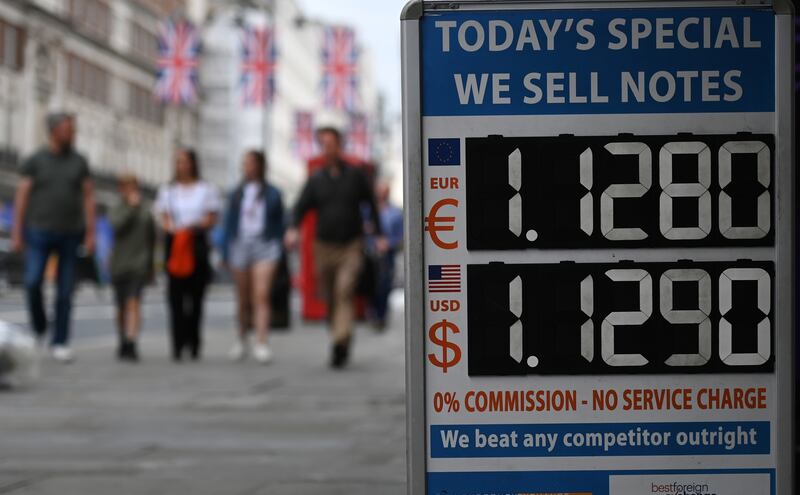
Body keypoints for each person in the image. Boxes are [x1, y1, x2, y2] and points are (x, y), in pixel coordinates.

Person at [284, 127, 386, 368]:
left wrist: (379, 234)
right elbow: (301, 206)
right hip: (324, 246)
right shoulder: (317, 179)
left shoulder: (356, 176)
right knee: (330, 296)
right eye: (323, 144)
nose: (328, 148)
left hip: (351, 244)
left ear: (340, 145)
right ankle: (339, 333)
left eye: (331, 143)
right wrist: (293, 229)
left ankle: (341, 341)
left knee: (344, 291)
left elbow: (370, 204)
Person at [11, 112, 96, 363]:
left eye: (73, 129)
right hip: (39, 230)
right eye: (68, 129)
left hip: (71, 233)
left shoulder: (79, 162)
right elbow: (22, 195)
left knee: (65, 290)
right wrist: (17, 231)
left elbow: (89, 196)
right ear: (54, 131)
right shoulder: (36, 160)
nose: (72, 133)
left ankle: (60, 341)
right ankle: (39, 327)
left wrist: (91, 233)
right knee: (32, 281)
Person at [154, 149, 220, 362]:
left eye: (184, 162)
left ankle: (194, 341)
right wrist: (172, 227)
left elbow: (212, 217)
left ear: (193, 164)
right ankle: (177, 342)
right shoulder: (168, 190)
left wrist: (195, 226)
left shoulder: (206, 189)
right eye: (178, 162)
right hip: (175, 244)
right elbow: (163, 216)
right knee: (175, 297)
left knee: (196, 297)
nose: (181, 166)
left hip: (196, 243)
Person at [221, 150, 285, 364]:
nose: (246, 167)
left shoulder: (273, 193)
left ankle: (262, 342)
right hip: (240, 245)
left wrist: (281, 242)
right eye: (244, 163)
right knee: (243, 298)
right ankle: (241, 338)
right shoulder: (236, 193)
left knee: (261, 294)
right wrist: (224, 251)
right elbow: (228, 224)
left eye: (250, 163)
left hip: (265, 245)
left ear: (260, 166)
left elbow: (281, 222)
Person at [109, 174, 155, 362]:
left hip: (139, 263)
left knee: (133, 302)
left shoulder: (146, 209)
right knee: (121, 307)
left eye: (134, 187)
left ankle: (132, 341)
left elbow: (151, 238)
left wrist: (151, 265)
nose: (131, 191)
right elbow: (117, 227)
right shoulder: (117, 208)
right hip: (120, 263)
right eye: (127, 187)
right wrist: (130, 209)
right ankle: (122, 338)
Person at [369, 182, 403, 330]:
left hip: (387, 254)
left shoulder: (395, 213)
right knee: (371, 284)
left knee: (384, 284)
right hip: (370, 252)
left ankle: (381, 315)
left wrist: (388, 243)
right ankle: (372, 312)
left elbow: (401, 236)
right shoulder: (368, 210)